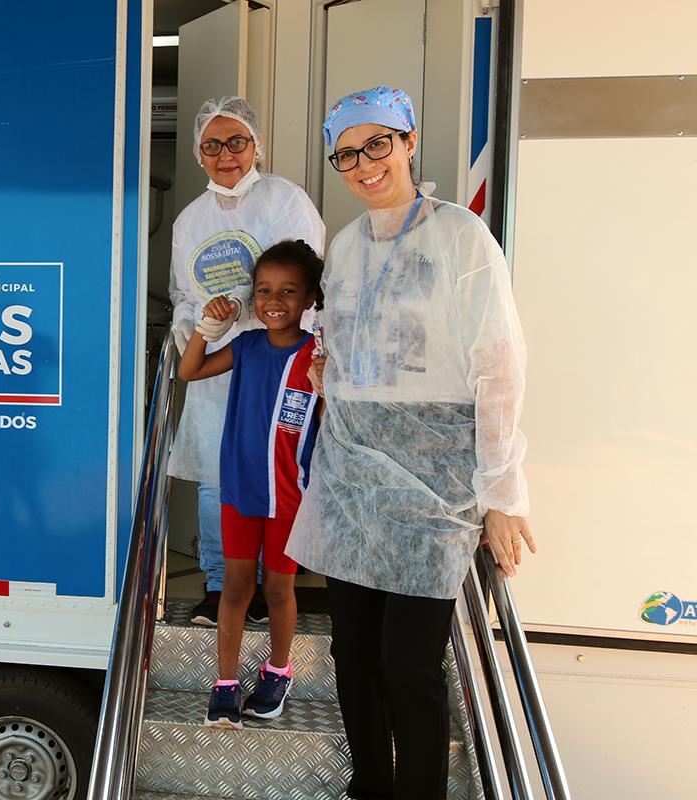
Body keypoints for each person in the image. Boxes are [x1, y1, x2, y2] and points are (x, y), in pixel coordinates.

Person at [287, 86, 535, 799]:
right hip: (352, 475)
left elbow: (499, 366)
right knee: (353, 652)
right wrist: (329, 365)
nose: (364, 165)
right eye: (346, 153)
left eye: (378, 144)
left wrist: (501, 494)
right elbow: (346, 341)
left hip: (436, 482)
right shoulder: (346, 244)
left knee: (411, 665)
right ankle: (370, 785)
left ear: (409, 142)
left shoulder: (460, 236)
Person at [168, 95, 325, 627]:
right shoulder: (191, 219)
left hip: (279, 360)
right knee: (220, 475)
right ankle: (220, 588)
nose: (225, 154)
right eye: (211, 145)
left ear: (256, 144)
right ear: (198, 153)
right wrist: (201, 324)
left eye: (236, 141)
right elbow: (182, 293)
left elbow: (304, 275)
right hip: (221, 359)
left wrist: (248, 306)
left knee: (278, 471)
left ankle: (267, 585)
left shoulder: (285, 200)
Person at [179, 240, 324, 729]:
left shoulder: (318, 357)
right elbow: (188, 370)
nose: (274, 300)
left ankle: (278, 671)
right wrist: (205, 329)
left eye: (288, 290)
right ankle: (225, 684)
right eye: (263, 290)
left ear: (309, 299)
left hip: (289, 497)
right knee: (235, 588)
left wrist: (330, 384)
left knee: (279, 591)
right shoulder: (244, 346)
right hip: (239, 491)